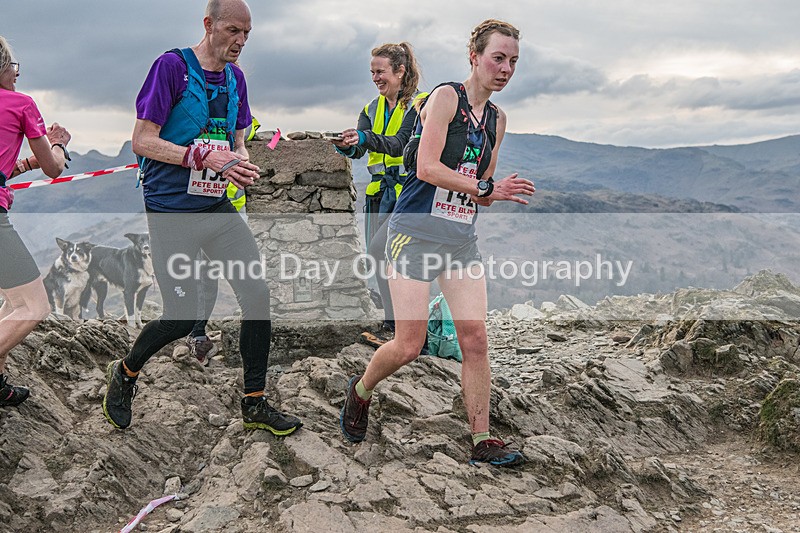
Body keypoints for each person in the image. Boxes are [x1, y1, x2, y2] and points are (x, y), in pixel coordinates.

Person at [339, 20, 535, 466]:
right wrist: (486, 190)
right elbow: (426, 167)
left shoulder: (497, 119)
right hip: (413, 232)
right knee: (410, 344)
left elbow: (478, 182)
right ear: (475, 57)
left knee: (476, 338)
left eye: (513, 62)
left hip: (459, 238)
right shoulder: (447, 98)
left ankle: (483, 439)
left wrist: (489, 189)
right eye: (498, 58)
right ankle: (360, 389)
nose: (506, 69)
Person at [102, 0, 302, 436]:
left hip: (215, 205)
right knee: (181, 314)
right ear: (209, 24)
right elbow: (141, 141)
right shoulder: (171, 67)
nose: (241, 41)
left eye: (247, 34)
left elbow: (238, 140)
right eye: (233, 31)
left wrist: (240, 162)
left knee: (257, 297)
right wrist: (201, 155)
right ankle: (126, 372)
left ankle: (254, 402)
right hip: (172, 210)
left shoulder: (236, 79)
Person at [330, 42, 424, 346]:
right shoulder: (370, 108)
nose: (375, 78)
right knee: (380, 257)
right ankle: (397, 327)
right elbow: (360, 149)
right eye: (372, 72)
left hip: (406, 194)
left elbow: (399, 144)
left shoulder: (419, 105)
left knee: (391, 255)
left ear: (400, 70)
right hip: (378, 194)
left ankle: (402, 329)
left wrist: (364, 137)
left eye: (380, 71)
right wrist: (348, 144)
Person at [0, 36, 72, 407]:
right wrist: (58, 142)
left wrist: (22, 164)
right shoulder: (20, 104)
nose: (16, 75)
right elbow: (54, 167)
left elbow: (5, 168)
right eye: (14, 67)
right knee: (33, 306)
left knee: (13, 302)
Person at [187, 117, 258, 366]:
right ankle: (196, 335)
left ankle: (198, 335)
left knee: (242, 281)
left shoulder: (243, 121)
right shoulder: (199, 118)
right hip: (201, 209)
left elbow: (253, 140)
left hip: (228, 214)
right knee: (204, 276)